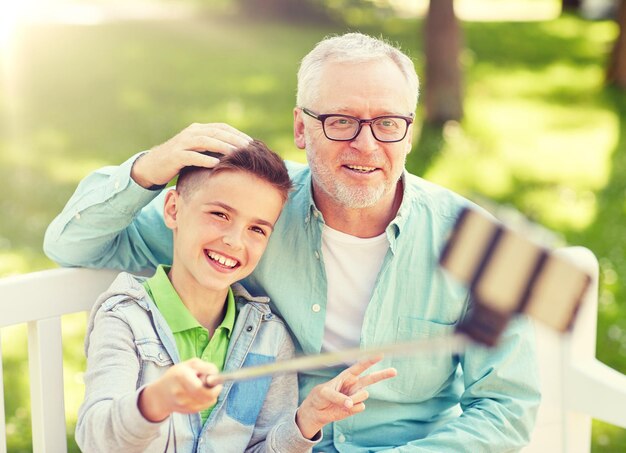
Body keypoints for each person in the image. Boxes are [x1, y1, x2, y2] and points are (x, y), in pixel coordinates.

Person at [46, 33, 540, 451]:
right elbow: (73, 245)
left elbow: (507, 405)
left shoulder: (482, 243)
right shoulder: (252, 214)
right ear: (302, 128)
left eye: (388, 124)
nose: (366, 146)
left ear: (409, 133)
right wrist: (148, 169)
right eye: (341, 121)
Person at [75, 141, 396, 452]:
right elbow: (96, 439)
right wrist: (156, 400)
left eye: (256, 229)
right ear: (173, 209)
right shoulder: (125, 318)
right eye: (219, 214)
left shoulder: (269, 339)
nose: (234, 241)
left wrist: (305, 421)